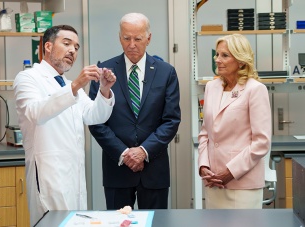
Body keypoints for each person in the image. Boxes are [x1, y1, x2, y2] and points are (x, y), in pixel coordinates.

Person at [13, 25, 116, 226]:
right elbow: (36, 113)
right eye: (67, 44)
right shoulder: (28, 78)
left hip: (74, 175)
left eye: (76, 47)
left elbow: (94, 115)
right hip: (48, 174)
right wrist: (75, 86)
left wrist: (104, 90)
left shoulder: (65, 83)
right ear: (48, 46)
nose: (72, 51)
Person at [88, 13, 181, 210]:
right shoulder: (103, 71)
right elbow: (95, 121)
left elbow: (171, 120)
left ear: (149, 38)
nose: (131, 44)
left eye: (137, 39)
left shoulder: (166, 72)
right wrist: (124, 153)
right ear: (119, 37)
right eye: (126, 38)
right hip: (117, 167)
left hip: (154, 168)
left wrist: (143, 151)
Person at [198, 33, 272, 209]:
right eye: (217, 54)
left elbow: (261, 142)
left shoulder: (255, 90)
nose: (217, 59)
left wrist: (230, 172)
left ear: (240, 61)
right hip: (214, 182)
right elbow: (205, 132)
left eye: (224, 55)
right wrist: (203, 166)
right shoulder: (211, 87)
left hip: (242, 184)